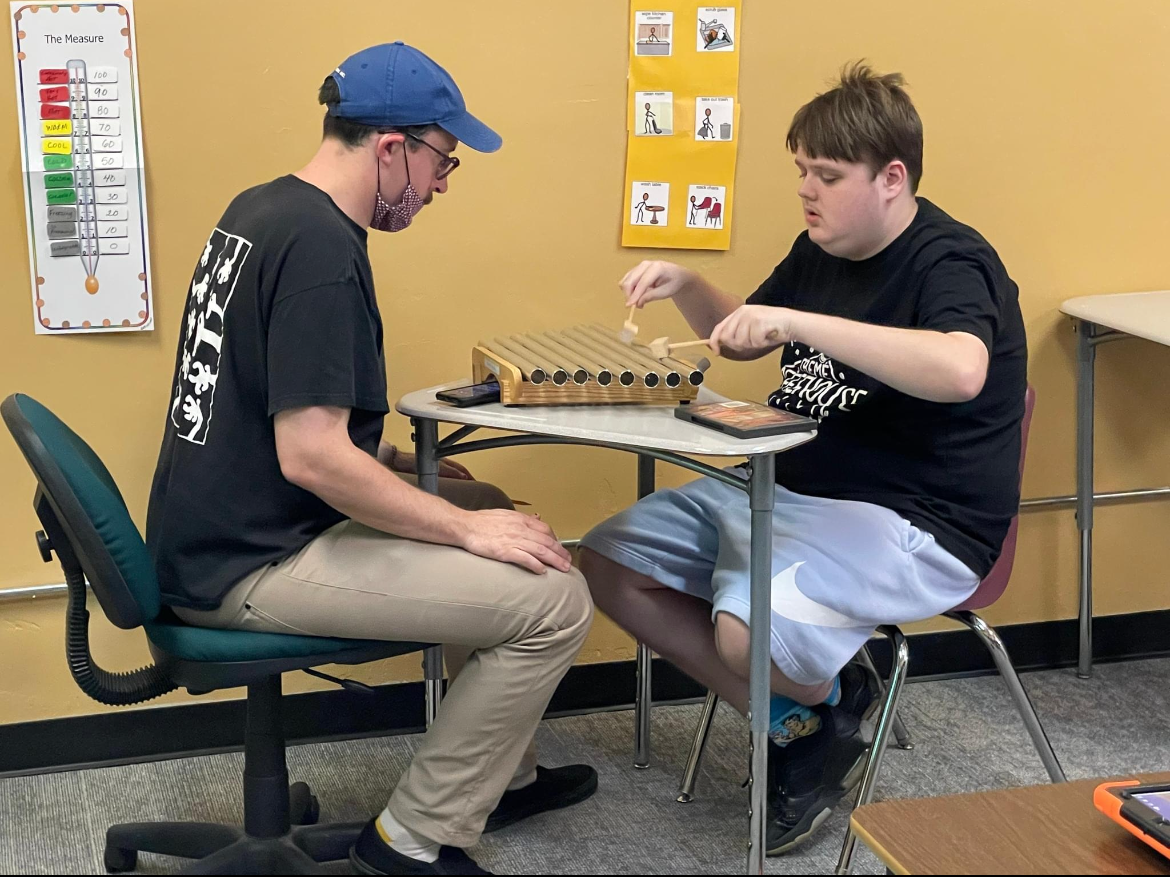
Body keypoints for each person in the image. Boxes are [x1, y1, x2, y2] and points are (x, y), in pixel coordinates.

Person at [146, 42, 596, 876]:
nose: (441, 185)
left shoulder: (266, 208)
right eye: (441, 161)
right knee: (556, 598)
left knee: (492, 499)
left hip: (211, 530)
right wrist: (466, 534)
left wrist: (391, 459)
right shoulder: (321, 251)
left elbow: (266, 399)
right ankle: (412, 839)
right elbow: (312, 456)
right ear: (392, 147)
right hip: (248, 563)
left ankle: (501, 776)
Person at [581, 61, 1027, 854]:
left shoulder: (952, 260)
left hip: (918, 523)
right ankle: (809, 716)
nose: (806, 191)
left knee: (745, 634)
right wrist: (689, 282)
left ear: (892, 178)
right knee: (607, 561)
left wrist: (802, 324)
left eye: (826, 174)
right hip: (789, 491)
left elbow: (961, 367)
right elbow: (749, 328)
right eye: (801, 173)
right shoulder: (820, 247)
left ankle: (815, 688)